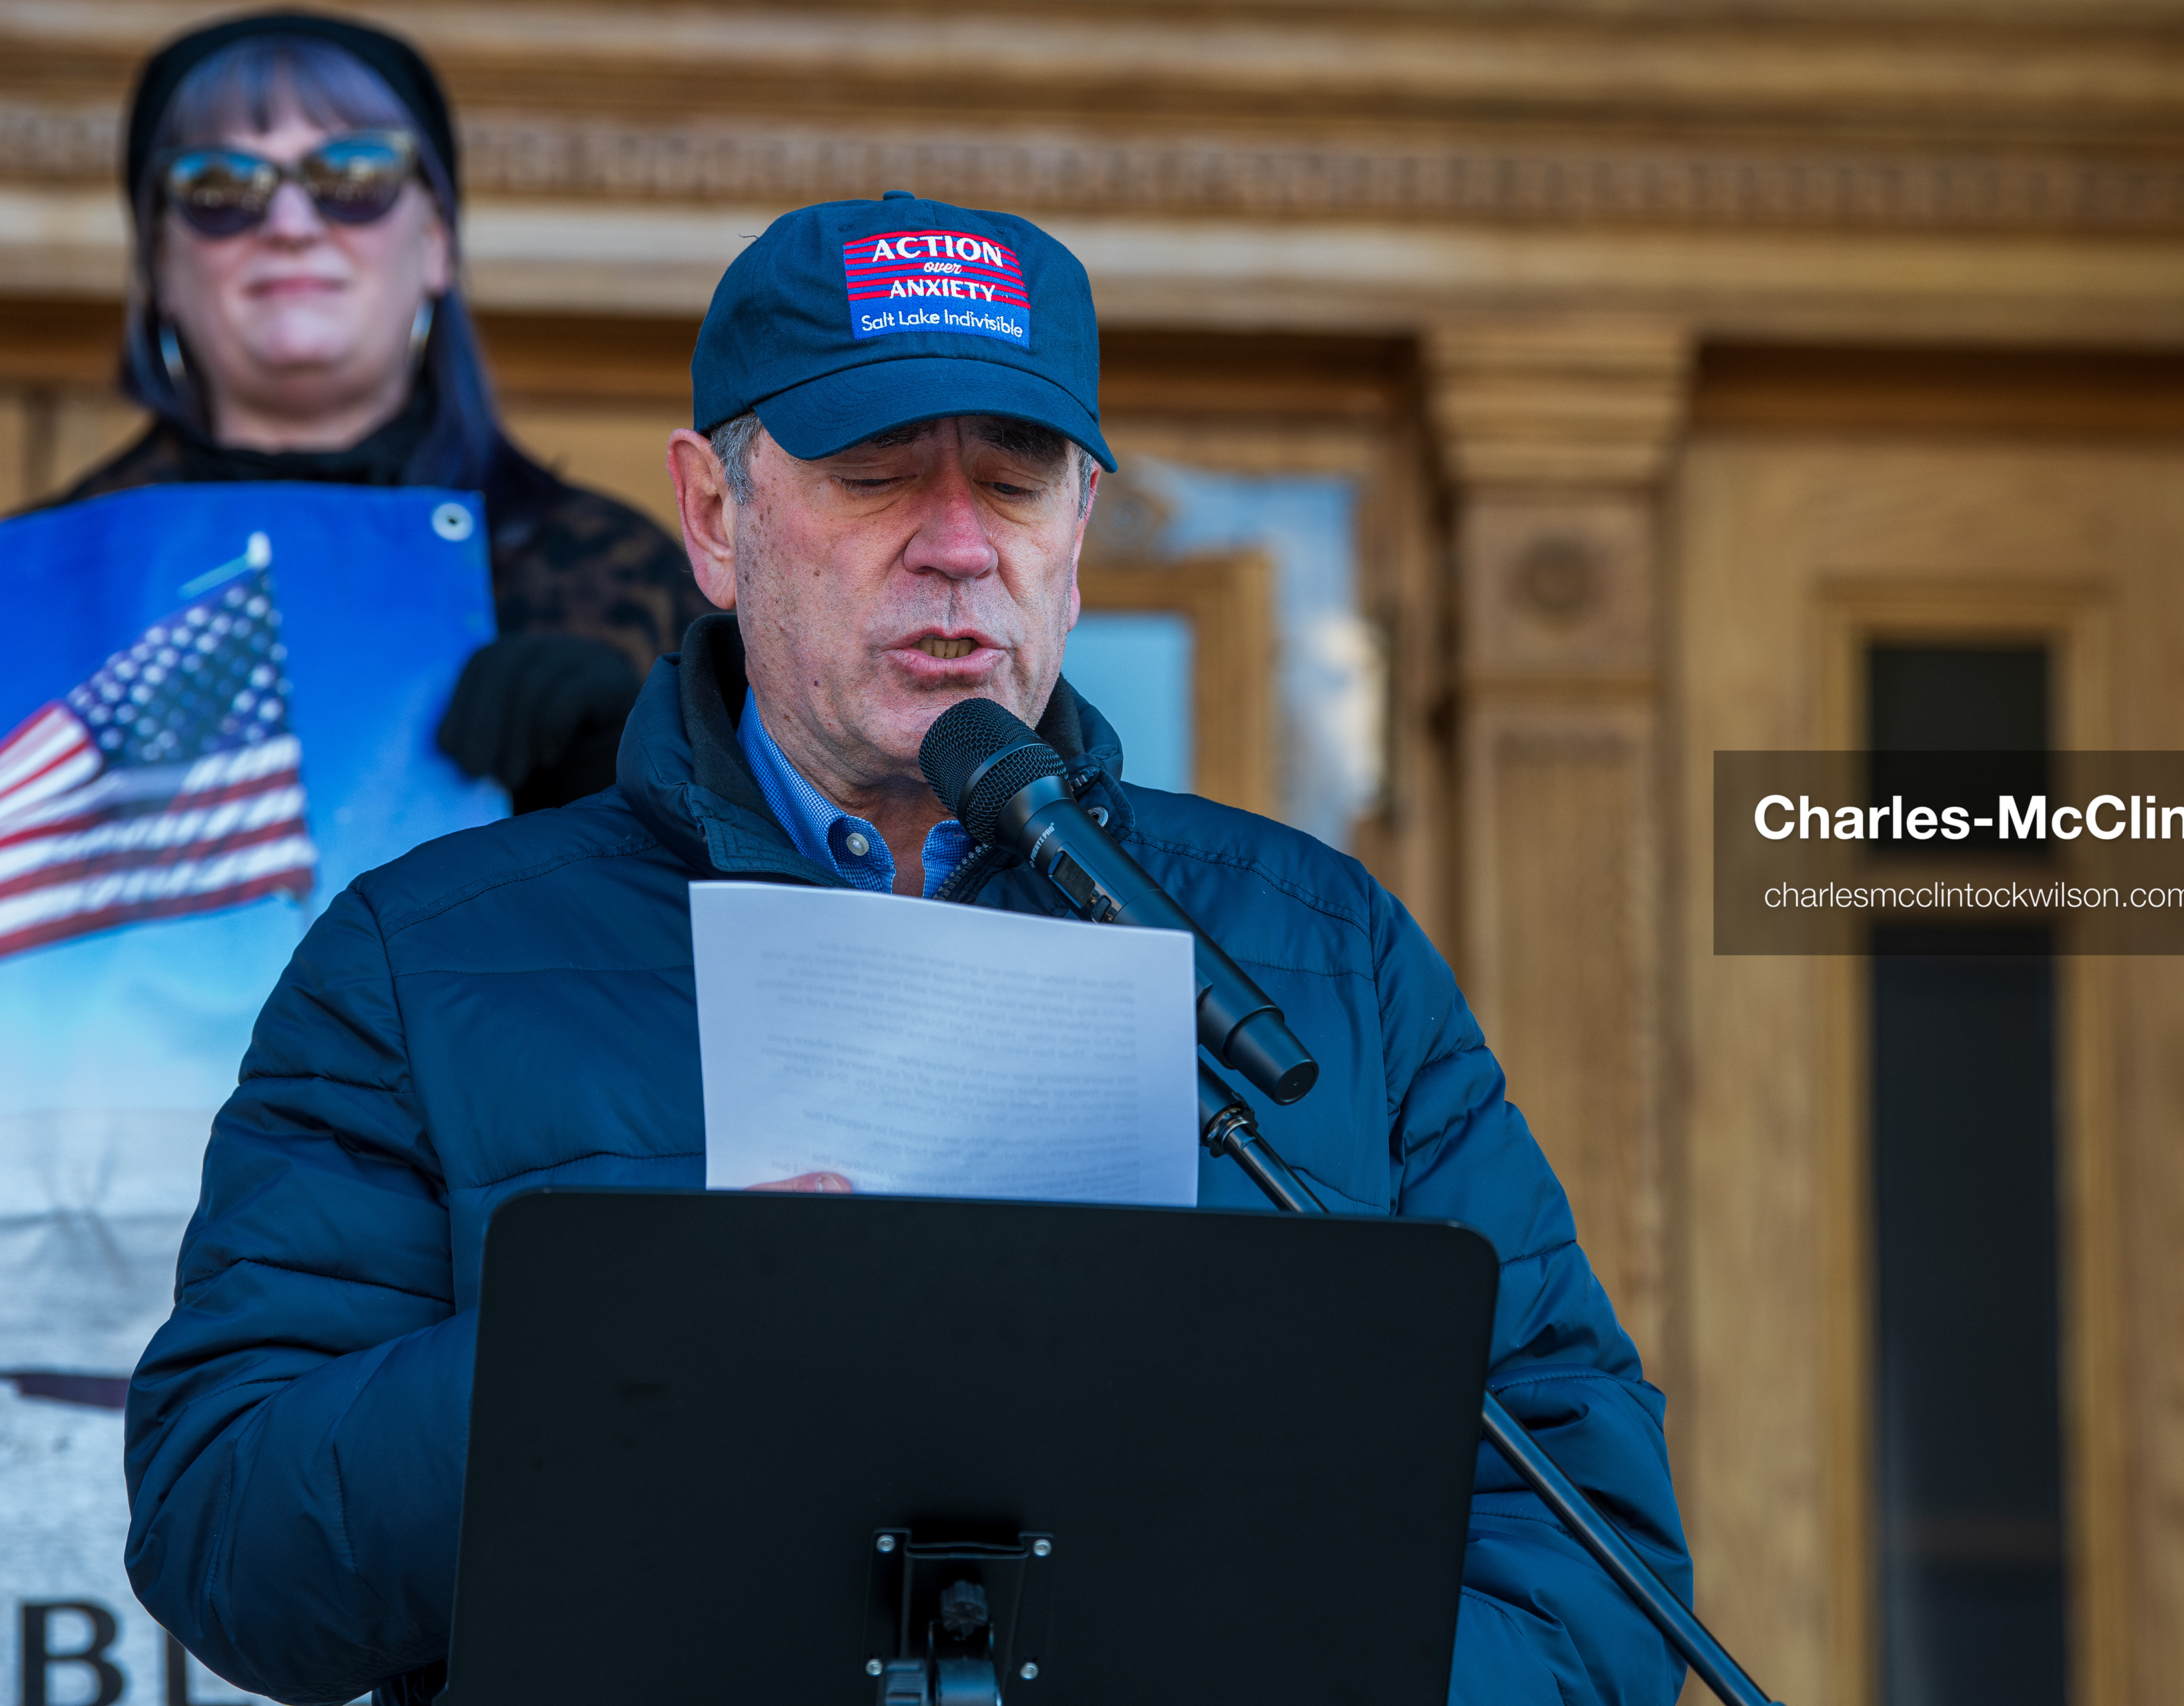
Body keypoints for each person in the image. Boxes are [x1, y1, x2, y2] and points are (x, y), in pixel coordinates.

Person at [123, 195, 1695, 1706]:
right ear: (715, 516)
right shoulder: (420, 961)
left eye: (1013, 482)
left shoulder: (1322, 951)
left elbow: (1589, 1555)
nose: (955, 545)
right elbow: (230, 1542)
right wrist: (630, 1329)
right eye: (875, 472)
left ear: (1078, 532)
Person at [39, 12, 707, 812]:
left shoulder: (623, 578)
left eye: (353, 177)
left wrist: (630, 769)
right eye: (221, 187)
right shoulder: (38, 584)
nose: (290, 226)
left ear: (436, 242)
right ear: (159, 261)